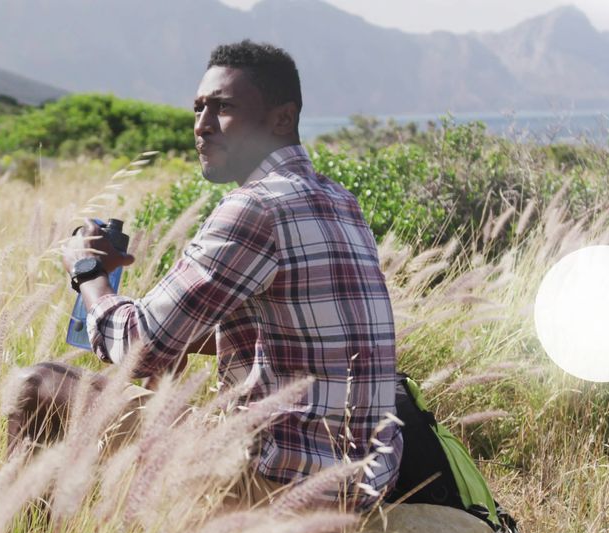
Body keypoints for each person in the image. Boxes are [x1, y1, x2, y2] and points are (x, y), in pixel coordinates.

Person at [21, 39, 404, 508]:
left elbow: (140, 350)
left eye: (222, 108)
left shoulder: (255, 206)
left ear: (282, 118)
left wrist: (87, 274)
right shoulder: (340, 200)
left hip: (280, 488)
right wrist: (181, 335)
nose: (201, 127)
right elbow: (303, 336)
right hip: (362, 482)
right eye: (198, 108)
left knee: (38, 385)